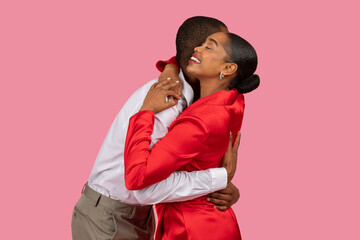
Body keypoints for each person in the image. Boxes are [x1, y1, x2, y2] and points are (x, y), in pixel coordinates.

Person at [71, 16, 241, 240]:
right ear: (196, 54)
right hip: (107, 217)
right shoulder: (166, 104)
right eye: (213, 44)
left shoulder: (201, 99)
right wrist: (218, 178)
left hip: (139, 214)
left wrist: (226, 189)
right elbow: (142, 187)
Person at [124, 31, 260, 240]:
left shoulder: (199, 122)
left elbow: (137, 177)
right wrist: (171, 67)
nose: (197, 48)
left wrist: (145, 112)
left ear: (228, 68)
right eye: (200, 44)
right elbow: (184, 56)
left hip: (190, 229)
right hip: (217, 222)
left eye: (208, 47)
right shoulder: (234, 99)